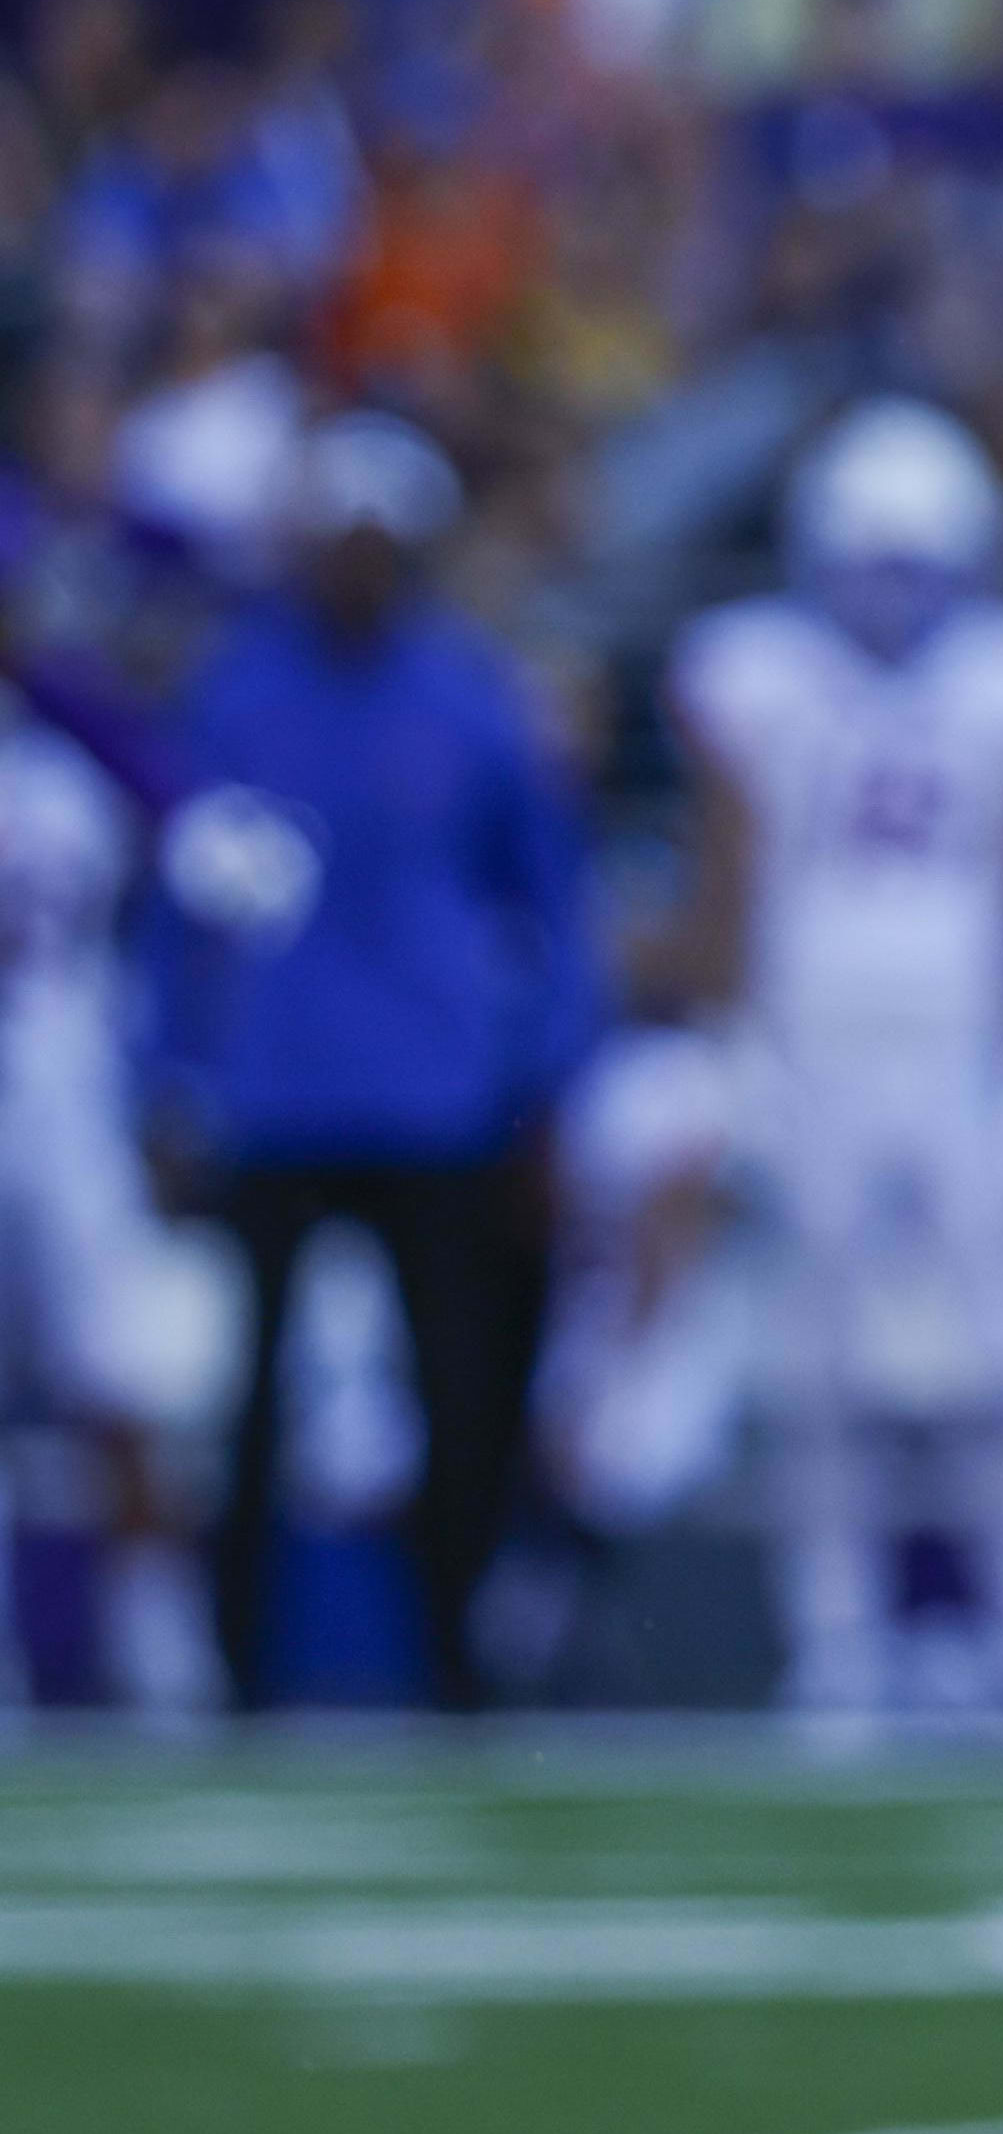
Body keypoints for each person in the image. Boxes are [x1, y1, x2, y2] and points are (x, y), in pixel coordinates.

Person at [668, 399, 1003, 1712]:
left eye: (914, 566)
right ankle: (839, 1637)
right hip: (811, 1040)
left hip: (965, 1042)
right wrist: (724, 1038)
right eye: (869, 565)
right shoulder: (754, 669)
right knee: (811, 1356)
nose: (890, 597)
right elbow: (731, 864)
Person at [152, 414, 595, 1712]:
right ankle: (240, 1666)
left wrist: (544, 1078)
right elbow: (179, 908)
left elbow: (552, 904)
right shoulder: (236, 689)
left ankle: (457, 1657)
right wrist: (170, 1071)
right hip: (275, 1089)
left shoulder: (472, 697)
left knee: (454, 1393)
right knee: (250, 1403)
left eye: (375, 541)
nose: (355, 562)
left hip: (434, 1094)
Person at [0, 671, 225, 1714]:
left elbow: (177, 903)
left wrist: (164, 1082)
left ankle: (160, 1641)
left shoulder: (69, 770)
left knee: (116, 1372)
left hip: (68, 1085)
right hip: (61, 1077)